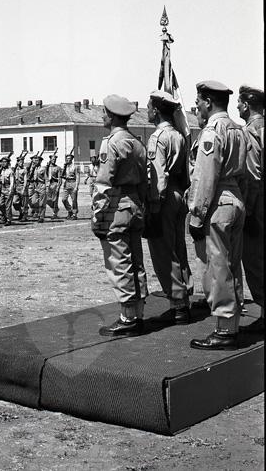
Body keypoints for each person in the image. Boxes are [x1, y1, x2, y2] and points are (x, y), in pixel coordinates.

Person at [188, 81, 246, 350]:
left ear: (208, 102)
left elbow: (205, 177)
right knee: (233, 265)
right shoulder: (238, 129)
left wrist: (197, 215)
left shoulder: (212, 131)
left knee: (219, 267)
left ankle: (224, 331)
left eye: (199, 102)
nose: (197, 107)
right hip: (236, 199)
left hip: (218, 202)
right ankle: (232, 323)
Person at [91, 95, 148, 336]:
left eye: (104, 112)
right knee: (136, 262)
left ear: (112, 116)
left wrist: (97, 215)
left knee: (120, 263)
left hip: (116, 206)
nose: (102, 116)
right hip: (135, 204)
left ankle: (127, 318)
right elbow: (145, 181)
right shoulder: (137, 143)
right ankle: (139, 313)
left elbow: (104, 183)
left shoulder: (111, 143)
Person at [145, 90, 192, 323]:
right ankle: (185, 295)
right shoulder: (179, 135)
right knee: (178, 248)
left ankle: (178, 304)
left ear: (156, 111)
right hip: (179, 194)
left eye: (149, 107)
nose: (147, 111)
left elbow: (158, 176)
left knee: (164, 252)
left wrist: (154, 206)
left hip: (164, 197)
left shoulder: (158, 137)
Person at [237, 85, 264, 332]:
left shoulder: (250, 132)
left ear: (246, 105)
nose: (237, 106)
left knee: (255, 260)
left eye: (239, 103)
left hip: (258, 204)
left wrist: (251, 213)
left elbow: (253, 176)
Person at [61, 154, 81, 219]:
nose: (68, 160)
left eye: (69, 158)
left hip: (73, 182)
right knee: (64, 199)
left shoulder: (75, 167)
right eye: (67, 158)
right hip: (66, 183)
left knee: (74, 199)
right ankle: (70, 210)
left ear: (72, 159)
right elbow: (62, 175)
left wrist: (76, 186)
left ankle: (74, 214)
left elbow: (78, 177)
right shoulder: (65, 167)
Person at [0, 156, 15, 225]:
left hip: (8, 188)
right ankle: (4, 215)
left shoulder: (10, 171)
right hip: (1, 189)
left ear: (8, 163)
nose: (3, 163)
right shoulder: (0, 171)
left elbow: (12, 181)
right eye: (2, 162)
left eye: (5, 162)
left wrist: (11, 190)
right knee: (0, 204)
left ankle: (8, 219)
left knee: (8, 206)